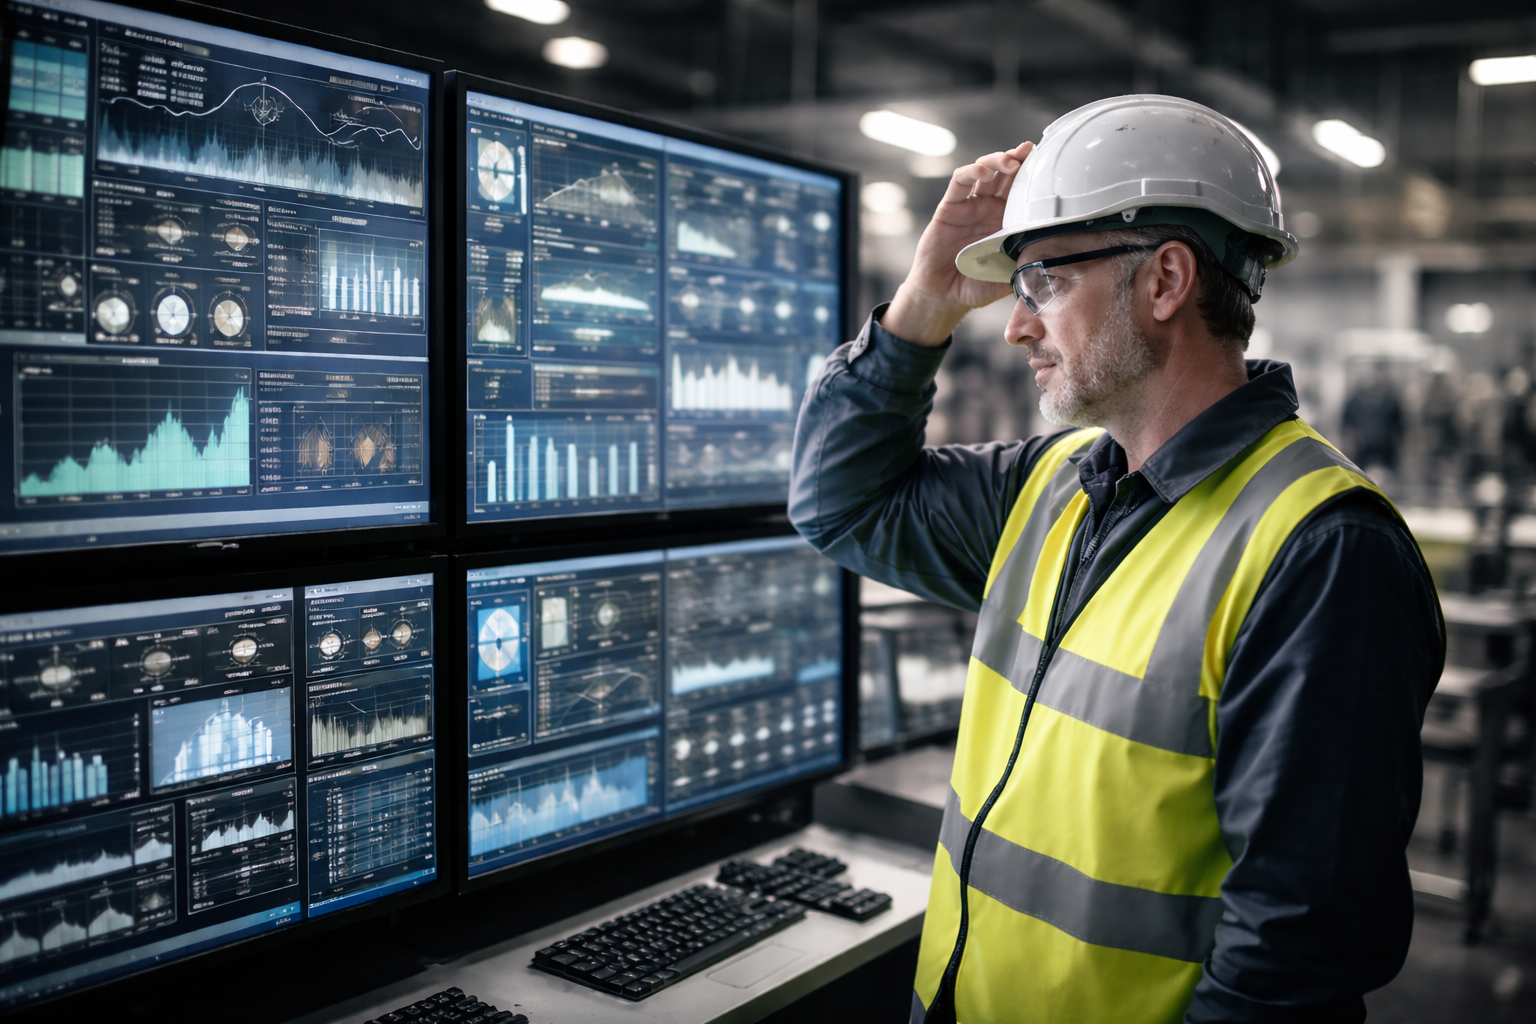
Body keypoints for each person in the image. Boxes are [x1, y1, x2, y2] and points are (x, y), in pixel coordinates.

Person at [789, 95, 1443, 1023]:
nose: (1015, 327)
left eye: (1043, 283)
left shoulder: (1322, 551)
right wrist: (923, 300)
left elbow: (1290, 962)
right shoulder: (1050, 487)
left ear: (1166, 280)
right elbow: (839, 504)